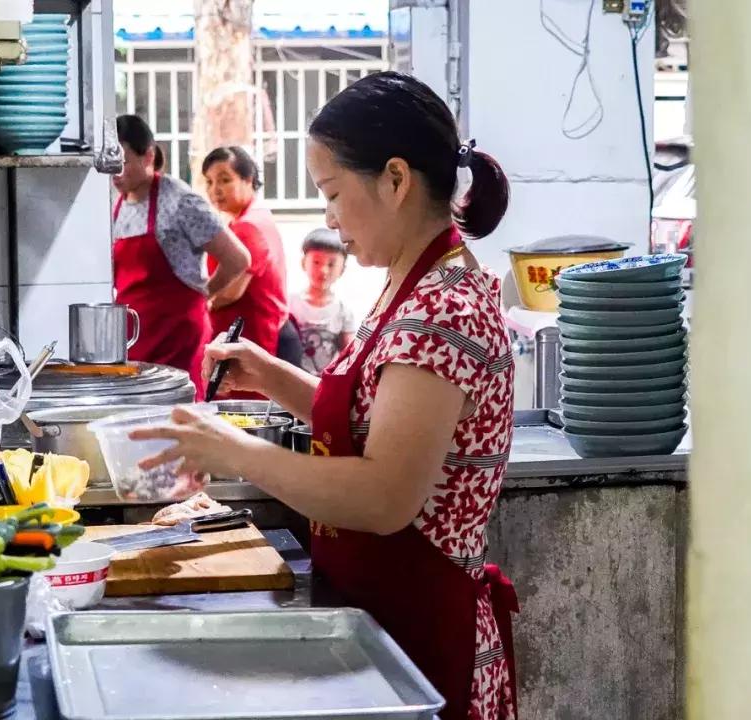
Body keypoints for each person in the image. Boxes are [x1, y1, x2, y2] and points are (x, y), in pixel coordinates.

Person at [131, 72, 517, 719]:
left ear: (395, 180)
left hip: (424, 634)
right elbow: (377, 421)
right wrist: (272, 375)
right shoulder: (412, 284)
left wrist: (235, 451)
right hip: (380, 615)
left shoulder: (442, 309)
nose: (329, 219)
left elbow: (384, 496)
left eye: (333, 193)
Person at [110, 116, 250, 399]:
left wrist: (204, 294)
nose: (116, 172)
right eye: (110, 163)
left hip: (178, 336)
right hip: (135, 336)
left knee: (179, 409)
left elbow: (238, 259)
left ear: (149, 156)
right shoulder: (117, 206)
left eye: (122, 161)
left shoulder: (180, 201)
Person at [201, 146, 296, 384]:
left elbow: (231, 292)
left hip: (260, 337)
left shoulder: (248, 226)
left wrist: (199, 304)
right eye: (209, 182)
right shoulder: (256, 216)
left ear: (248, 179)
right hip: (265, 333)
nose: (215, 190)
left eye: (225, 180)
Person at [290, 227, 358, 375]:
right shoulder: (290, 304)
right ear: (303, 263)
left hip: (325, 383)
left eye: (331, 264)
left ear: (342, 269)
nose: (323, 270)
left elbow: (349, 354)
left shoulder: (343, 311)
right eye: (316, 262)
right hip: (293, 379)